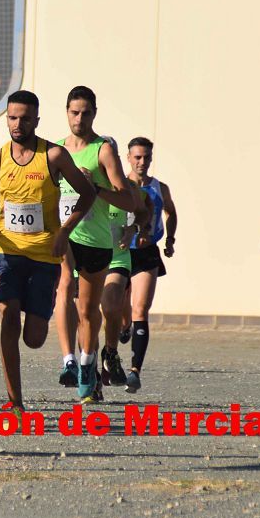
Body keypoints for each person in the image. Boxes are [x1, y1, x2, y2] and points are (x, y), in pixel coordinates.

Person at [0, 90, 96, 414]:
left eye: (25, 118)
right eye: (12, 117)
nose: (17, 124)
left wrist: (65, 231)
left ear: (36, 120)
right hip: (6, 251)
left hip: (44, 256)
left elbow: (87, 194)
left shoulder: (53, 156)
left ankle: (37, 323)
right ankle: (16, 402)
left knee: (35, 337)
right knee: (8, 314)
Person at [53, 87, 137, 403]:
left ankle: (88, 364)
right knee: (64, 286)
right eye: (74, 112)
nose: (79, 118)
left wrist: (95, 188)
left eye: (86, 112)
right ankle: (69, 361)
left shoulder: (102, 151)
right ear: (66, 112)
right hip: (65, 233)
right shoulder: (57, 150)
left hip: (97, 240)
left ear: (94, 114)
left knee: (88, 309)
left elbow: (128, 199)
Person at [123, 136, 178, 393]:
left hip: (146, 253)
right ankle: (123, 328)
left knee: (140, 309)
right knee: (120, 313)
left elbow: (171, 212)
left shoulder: (159, 188)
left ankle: (135, 371)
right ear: (128, 158)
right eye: (137, 157)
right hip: (120, 254)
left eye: (146, 157)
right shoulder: (119, 185)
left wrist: (170, 239)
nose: (142, 162)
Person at [98, 137, 151, 392]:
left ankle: (111, 351)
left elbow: (146, 206)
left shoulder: (128, 187)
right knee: (86, 316)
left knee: (111, 307)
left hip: (118, 257)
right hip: (87, 255)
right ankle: (90, 373)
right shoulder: (83, 183)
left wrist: (134, 228)